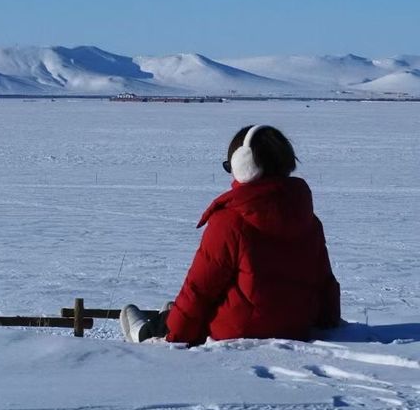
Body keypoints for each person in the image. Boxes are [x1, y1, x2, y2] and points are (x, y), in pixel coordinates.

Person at [120, 124, 341, 345]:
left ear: (243, 167)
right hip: (295, 329)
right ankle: (169, 314)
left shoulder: (230, 221)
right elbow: (324, 282)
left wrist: (175, 335)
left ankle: (143, 332)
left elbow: (199, 290)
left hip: (236, 331)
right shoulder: (308, 220)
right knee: (178, 311)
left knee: (176, 317)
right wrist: (326, 321)